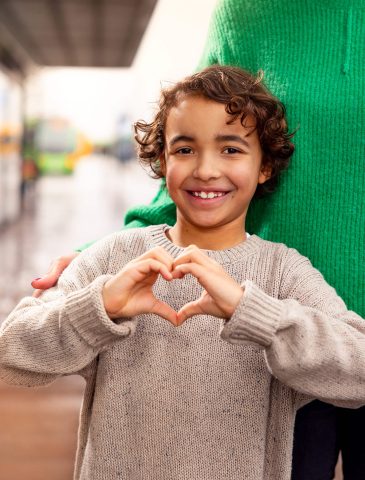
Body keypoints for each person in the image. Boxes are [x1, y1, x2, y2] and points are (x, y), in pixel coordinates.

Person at [32, 1, 365, 478]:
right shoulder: (248, 12)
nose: (207, 163)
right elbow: (197, 131)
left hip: (321, 335)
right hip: (268, 333)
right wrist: (103, 264)